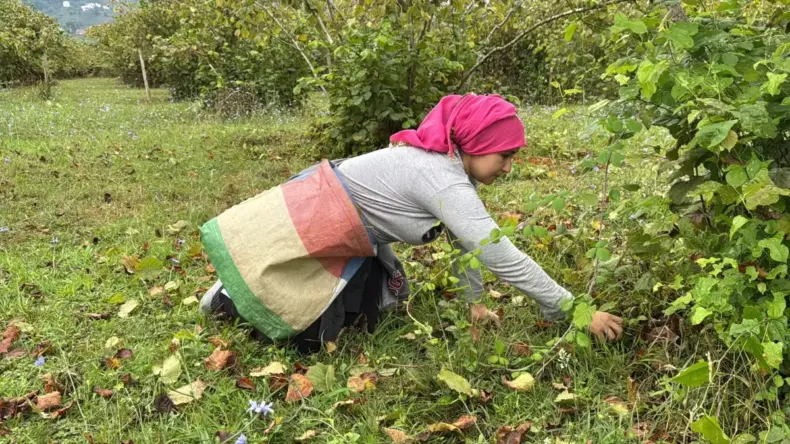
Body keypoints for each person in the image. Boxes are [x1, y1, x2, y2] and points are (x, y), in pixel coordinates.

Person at [199, 94, 623, 354]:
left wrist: (472, 304)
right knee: (307, 343)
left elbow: (467, 244)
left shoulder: (450, 170)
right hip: (310, 222)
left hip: (342, 232)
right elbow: (496, 252)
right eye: (504, 155)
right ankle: (228, 299)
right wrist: (573, 309)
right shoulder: (442, 177)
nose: (509, 167)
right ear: (475, 145)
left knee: (370, 319)